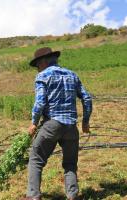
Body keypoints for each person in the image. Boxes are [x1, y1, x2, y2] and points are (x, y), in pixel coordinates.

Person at [23, 47, 92, 200]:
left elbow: (40, 102)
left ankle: (33, 195)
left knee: (36, 158)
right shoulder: (72, 75)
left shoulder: (43, 76)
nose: (37, 69)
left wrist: (34, 123)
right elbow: (87, 98)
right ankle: (72, 195)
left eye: (37, 66)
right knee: (70, 163)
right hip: (71, 126)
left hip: (52, 124)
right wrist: (85, 121)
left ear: (43, 62)